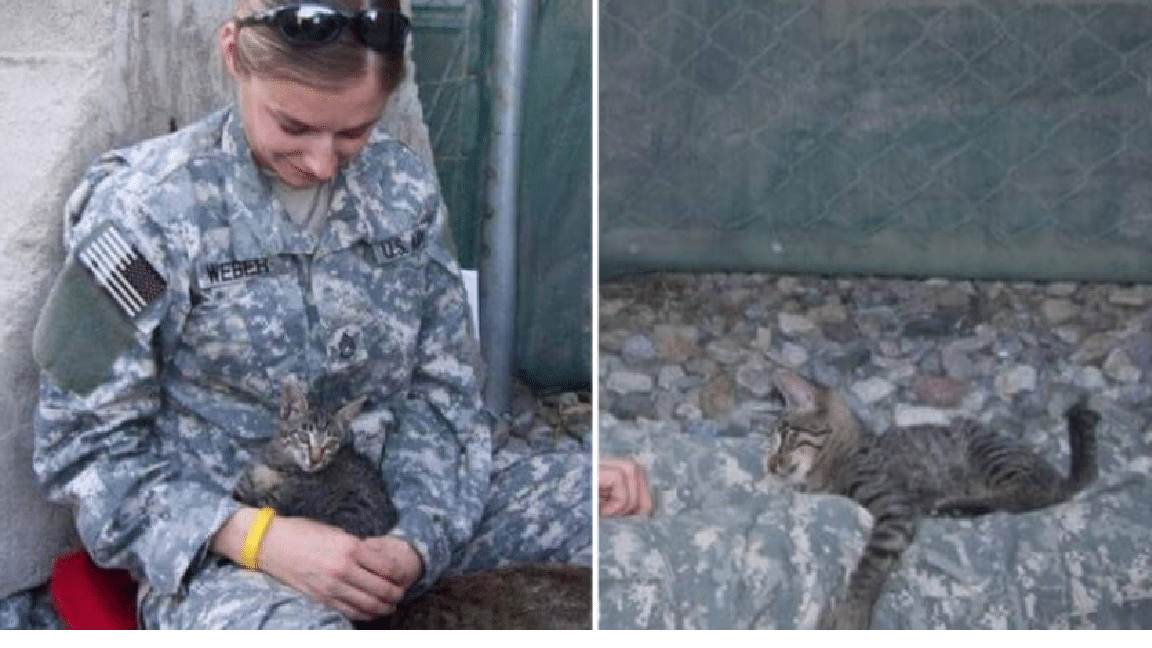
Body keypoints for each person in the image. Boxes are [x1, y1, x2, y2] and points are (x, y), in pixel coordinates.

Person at [32, 0, 590, 629]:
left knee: (617, 517)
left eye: (354, 132)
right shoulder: (145, 217)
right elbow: (82, 451)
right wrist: (260, 540)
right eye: (293, 126)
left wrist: (415, 540)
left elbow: (443, 393)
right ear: (232, 56)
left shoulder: (402, 192)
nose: (323, 163)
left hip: (400, 505)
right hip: (233, 557)